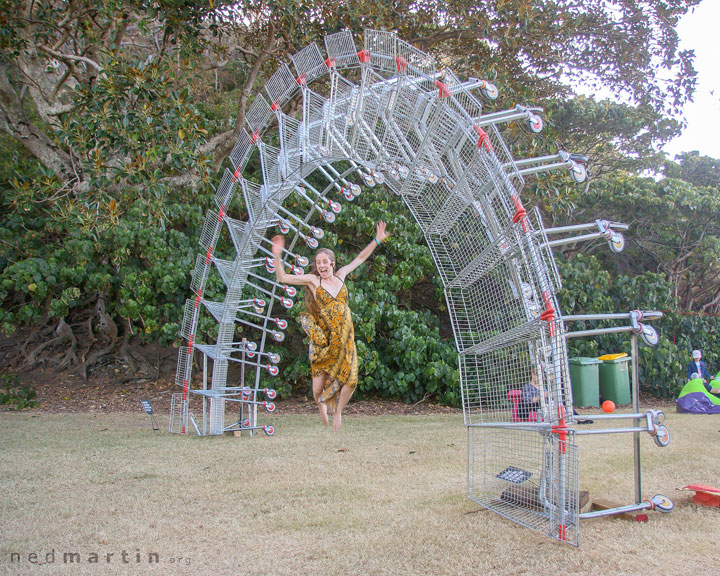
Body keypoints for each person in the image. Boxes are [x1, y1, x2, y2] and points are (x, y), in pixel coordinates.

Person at [271, 221, 390, 432]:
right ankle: (321, 406)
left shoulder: (342, 275)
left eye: (325, 262)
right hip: (323, 340)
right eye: (318, 263)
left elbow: (360, 258)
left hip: (345, 338)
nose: (321, 266)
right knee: (318, 389)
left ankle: (339, 411)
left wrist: (376, 240)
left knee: (351, 380)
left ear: (332, 263)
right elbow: (282, 278)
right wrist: (277, 255)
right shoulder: (312, 280)